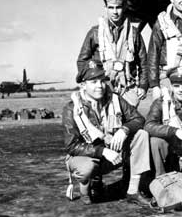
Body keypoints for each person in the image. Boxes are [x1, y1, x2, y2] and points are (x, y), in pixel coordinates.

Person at [62, 60, 151, 206]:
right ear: (83, 85)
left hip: (113, 152)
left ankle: (133, 191)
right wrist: (102, 151)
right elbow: (71, 146)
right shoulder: (71, 109)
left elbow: (138, 119)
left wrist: (124, 129)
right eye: (94, 82)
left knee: (141, 135)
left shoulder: (115, 99)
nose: (100, 86)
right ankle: (86, 188)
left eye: (102, 81)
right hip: (88, 157)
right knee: (86, 169)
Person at [77, 0, 148, 107]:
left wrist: (143, 86)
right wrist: (91, 83)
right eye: (111, 8)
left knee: (131, 123)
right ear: (105, 7)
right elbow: (82, 61)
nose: (115, 12)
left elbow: (143, 63)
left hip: (127, 89)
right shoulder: (95, 32)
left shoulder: (134, 33)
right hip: (103, 89)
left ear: (124, 7)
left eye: (118, 7)